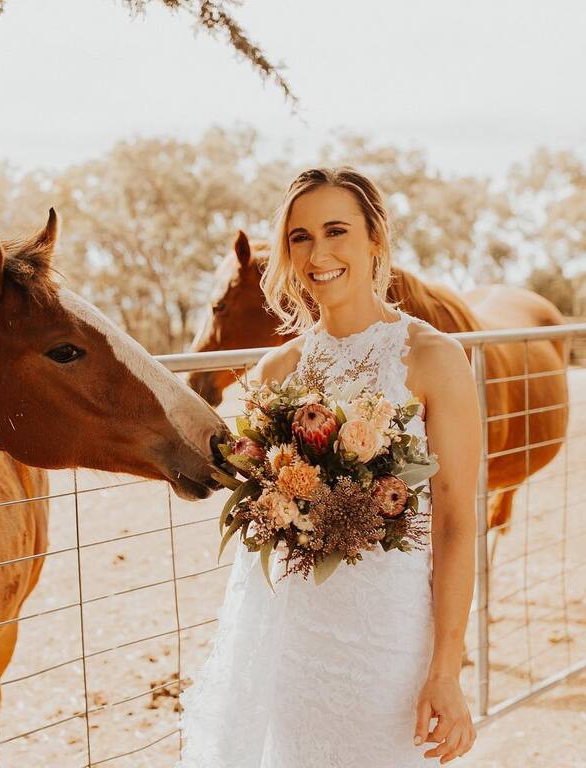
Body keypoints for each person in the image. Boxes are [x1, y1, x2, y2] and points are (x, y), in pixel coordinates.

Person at [176, 166, 480, 767]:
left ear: (375, 240)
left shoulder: (434, 360)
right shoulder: (273, 374)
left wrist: (445, 669)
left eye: (337, 231)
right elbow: (261, 516)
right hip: (294, 638)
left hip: (388, 636)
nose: (319, 253)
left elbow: (455, 524)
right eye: (300, 237)